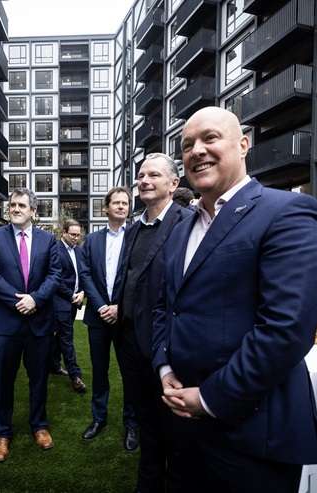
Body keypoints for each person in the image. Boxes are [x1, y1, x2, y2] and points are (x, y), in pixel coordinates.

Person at [151, 106, 317, 492]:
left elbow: (286, 330)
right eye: (187, 145)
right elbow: (166, 306)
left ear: (244, 144)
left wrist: (211, 397)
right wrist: (165, 369)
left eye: (210, 138)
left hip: (251, 433)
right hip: (181, 423)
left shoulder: (287, 213)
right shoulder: (182, 228)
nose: (196, 150)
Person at [117, 153, 192, 491]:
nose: (144, 180)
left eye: (154, 175)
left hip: (167, 346)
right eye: (141, 175)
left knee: (174, 430)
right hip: (131, 341)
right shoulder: (133, 228)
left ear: (174, 184)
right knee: (146, 422)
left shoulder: (187, 223)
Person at [0, 188, 61, 463]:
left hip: (38, 323)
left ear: (33, 211)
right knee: (3, 381)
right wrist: (19, 301)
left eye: (21, 205)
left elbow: (55, 275)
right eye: (12, 205)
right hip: (4, 324)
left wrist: (35, 300)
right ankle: (2, 433)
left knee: (39, 379)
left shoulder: (48, 240)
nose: (15, 209)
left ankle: (39, 426)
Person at [77, 187, 138, 447]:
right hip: (97, 318)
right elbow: (86, 274)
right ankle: (98, 418)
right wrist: (102, 306)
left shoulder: (136, 236)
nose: (122, 207)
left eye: (126, 203)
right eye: (117, 203)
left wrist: (119, 308)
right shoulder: (91, 240)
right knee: (99, 372)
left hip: (125, 319)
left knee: (130, 374)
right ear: (106, 208)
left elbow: (137, 276)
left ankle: (132, 424)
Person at [49, 219, 86, 393]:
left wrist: (82, 293)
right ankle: (75, 376)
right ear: (63, 232)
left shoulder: (79, 251)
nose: (76, 238)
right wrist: (72, 295)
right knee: (66, 338)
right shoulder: (55, 250)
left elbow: (84, 274)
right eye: (72, 234)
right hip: (60, 302)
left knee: (59, 337)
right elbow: (56, 279)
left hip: (74, 301)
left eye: (78, 235)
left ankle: (54, 366)